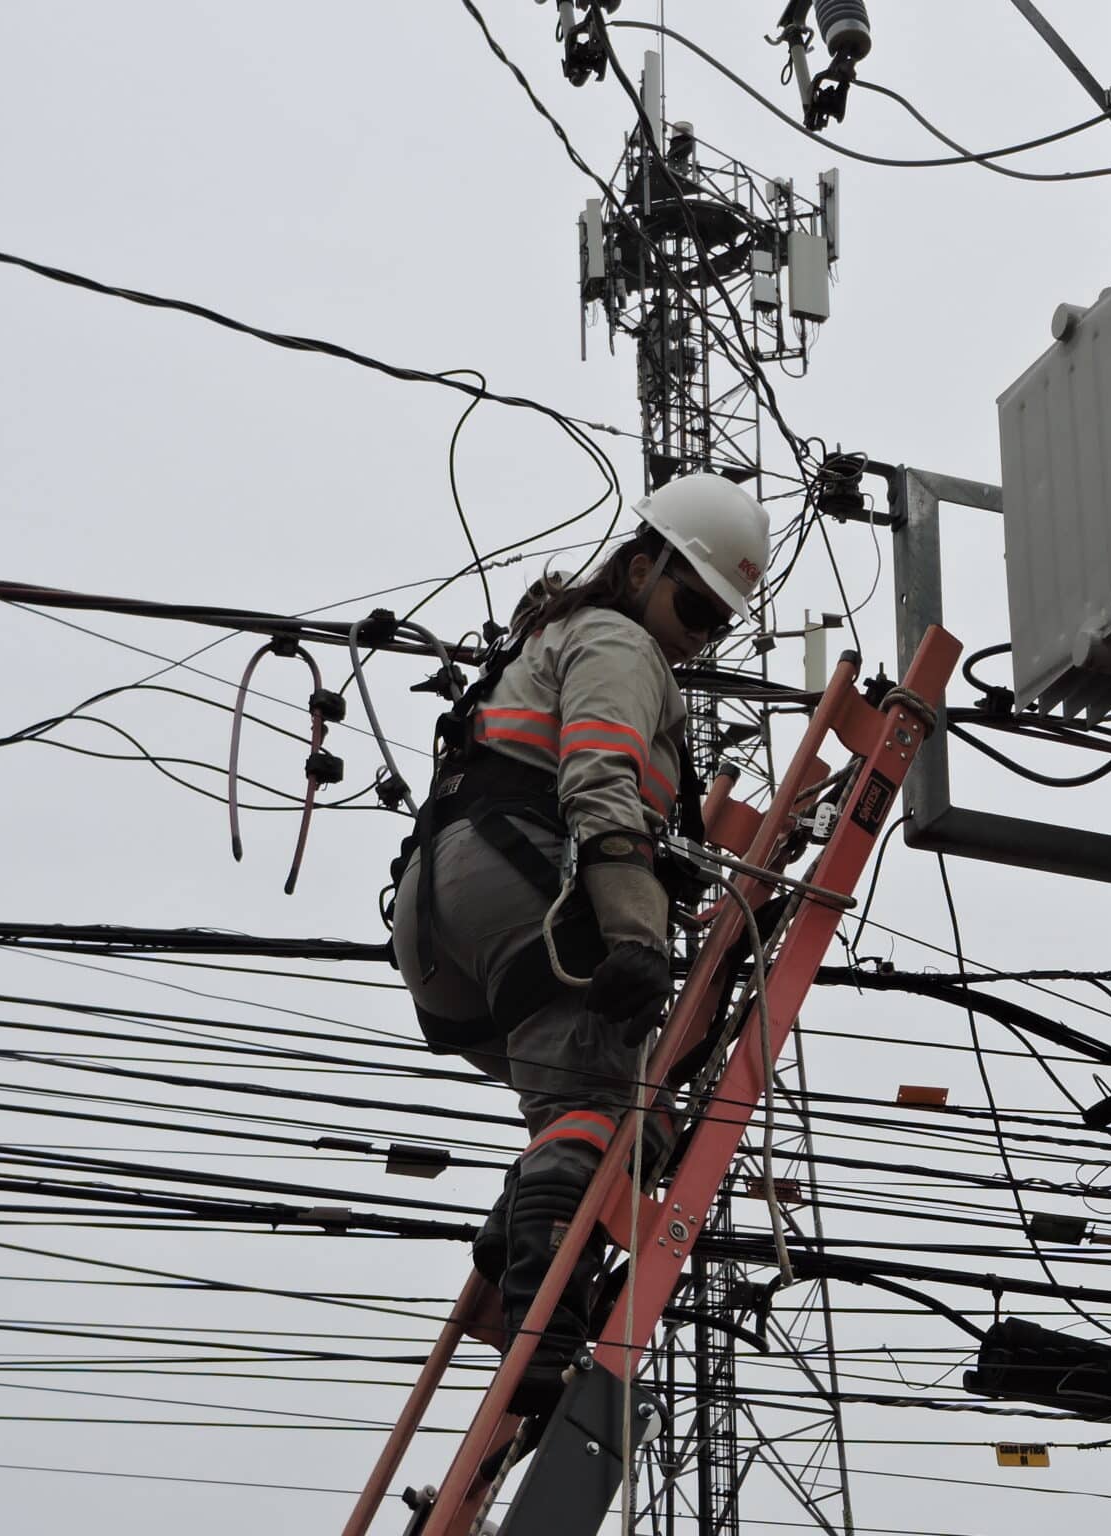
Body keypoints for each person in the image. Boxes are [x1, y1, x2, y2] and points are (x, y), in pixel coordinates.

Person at [389, 472, 769, 1414]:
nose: (695, 632)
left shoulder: (551, 638)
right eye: (690, 602)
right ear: (641, 569)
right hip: (523, 880)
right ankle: (544, 1338)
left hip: (447, 929)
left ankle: (522, 1225)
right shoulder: (616, 639)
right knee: (608, 1092)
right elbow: (599, 778)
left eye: (717, 623)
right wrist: (638, 931)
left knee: (591, 1116)